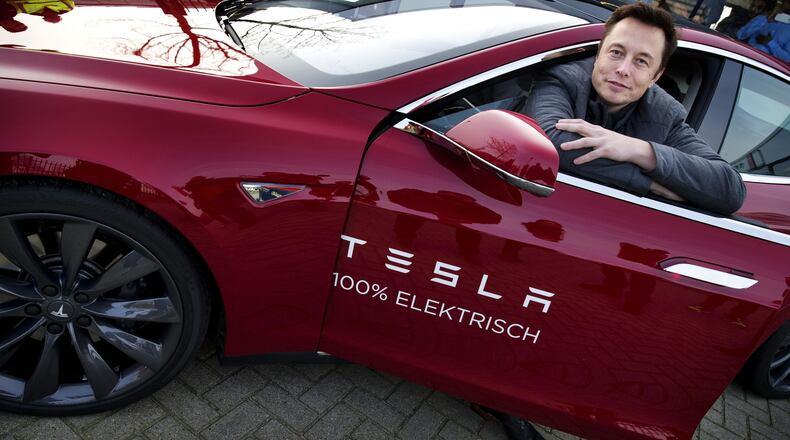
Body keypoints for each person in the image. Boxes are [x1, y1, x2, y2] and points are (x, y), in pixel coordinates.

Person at [524, 2, 746, 215]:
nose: (623, 69)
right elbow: (550, 141)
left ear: (656, 76)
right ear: (600, 52)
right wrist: (650, 184)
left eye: (641, 61)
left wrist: (640, 151)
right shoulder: (561, 79)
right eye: (617, 52)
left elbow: (731, 188)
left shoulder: (665, 115)